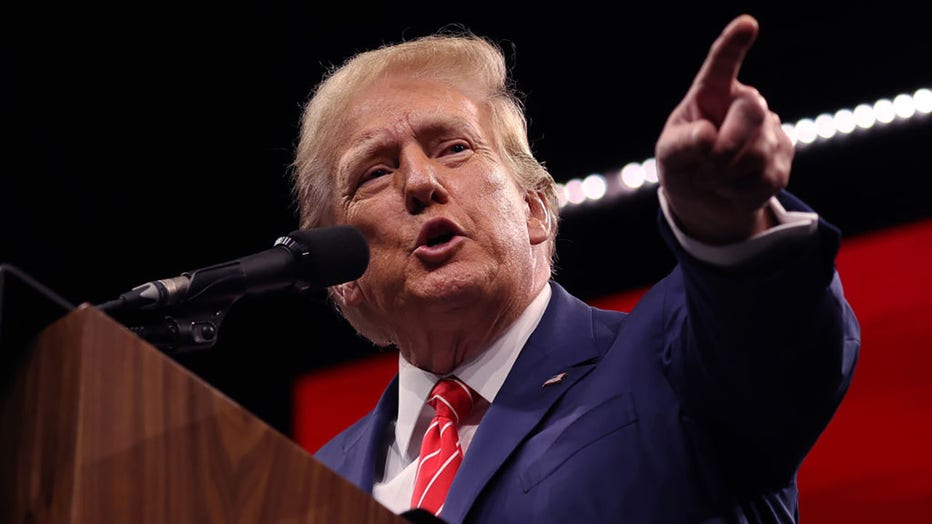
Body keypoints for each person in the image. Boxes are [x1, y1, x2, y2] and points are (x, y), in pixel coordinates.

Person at [288, 13, 860, 524]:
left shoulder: (672, 361)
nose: (420, 182)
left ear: (536, 210)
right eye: (374, 174)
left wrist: (733, 225)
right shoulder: (303, 491)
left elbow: (778, 350)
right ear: (343, 276)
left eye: (454, 147)